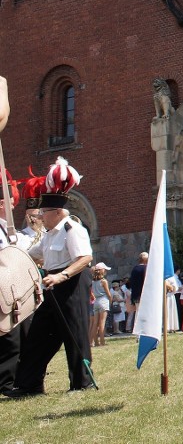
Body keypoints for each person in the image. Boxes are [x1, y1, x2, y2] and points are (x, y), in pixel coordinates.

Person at [7, 158, 95, 397]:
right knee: (38, 336)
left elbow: (85, 258)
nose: (40, 217)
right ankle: (29, 385)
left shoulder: (72, 229)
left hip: (71, 282)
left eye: (44, 212)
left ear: (57, 212)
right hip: (52, 285)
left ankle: (81, 383)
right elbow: (31, 255)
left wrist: (61, 276)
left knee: (74, 333)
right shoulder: (48, 235)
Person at [0, 172, 34, 395]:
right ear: (2, 203)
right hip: (4, 287)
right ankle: (6, 382)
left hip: (16, 285)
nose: (15, 204)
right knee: (9, 336)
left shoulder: (8, 228)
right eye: (11, 201)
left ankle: (20, 377)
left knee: (22, 334)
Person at [89, 262, 111, 347]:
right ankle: (102, 341)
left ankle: (92, 342)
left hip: (96, 301)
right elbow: (108, 293)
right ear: (103, 271)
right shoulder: (103, 281)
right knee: (102, 323)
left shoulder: (93, 281)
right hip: (103, 301)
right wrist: (110, 300)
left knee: (95, 323)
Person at [127, 252, 148, 332]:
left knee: (138, 313)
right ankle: (143, 330)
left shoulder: (134, 269)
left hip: (136, 295)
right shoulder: (146, 269)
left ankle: (137, 330)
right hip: (144, 294)